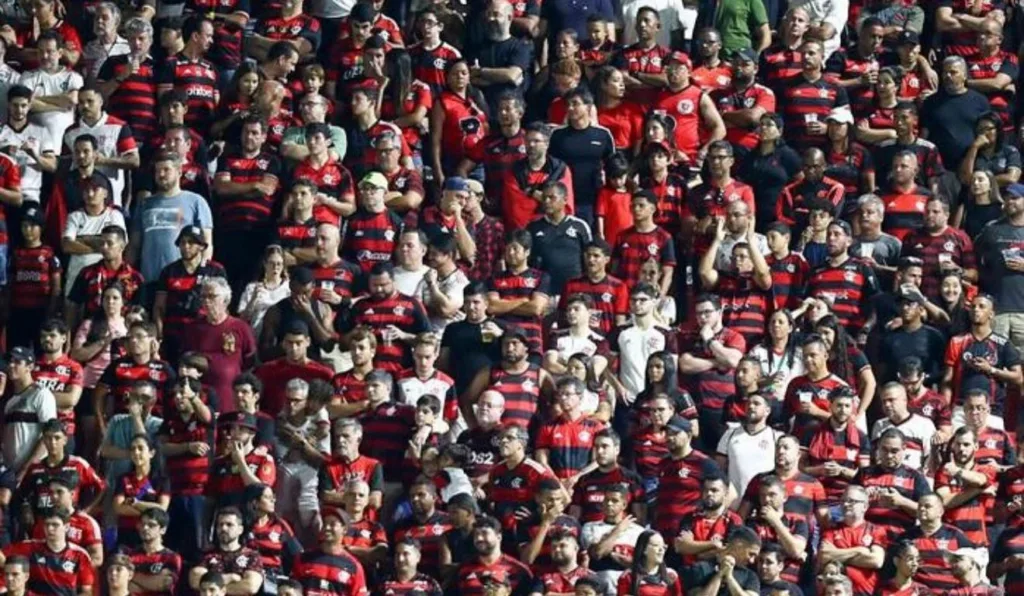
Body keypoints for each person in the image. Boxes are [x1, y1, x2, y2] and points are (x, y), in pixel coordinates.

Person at [188, 507, 265, 595]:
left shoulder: (251, 556)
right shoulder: (205, 554)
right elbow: (195, 581)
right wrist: (231, 577)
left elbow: (250, 587)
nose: (223, 528)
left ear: (240, 530)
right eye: (220, 524)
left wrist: (214, 589)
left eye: (229, 524)